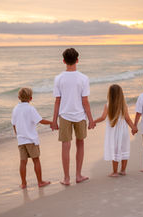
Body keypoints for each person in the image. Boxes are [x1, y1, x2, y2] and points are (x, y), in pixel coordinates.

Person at [52, 48, 95, 185]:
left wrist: (54, 121)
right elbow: (85, 101)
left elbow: (57, 101)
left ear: (63, 61)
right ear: (77, 60)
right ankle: (78, 175)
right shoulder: (83, 78)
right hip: (80, 116)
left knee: (66, 145)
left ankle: (66, 178)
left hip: (64, 115)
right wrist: (91, 119)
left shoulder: (58, 78)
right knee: (80, 143)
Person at [11, 87, 51, 189]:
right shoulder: (30, 108)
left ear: (19, 97)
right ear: (31, 98)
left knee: (23, 162)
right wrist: (52, 123)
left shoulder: (15, 109)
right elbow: (40, 120)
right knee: (36, 160)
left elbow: (14, 124)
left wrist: (18, 135)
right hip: (31, 139)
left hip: (21, 140)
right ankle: (40, 182)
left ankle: (23, 183)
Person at [94, 84, 137, 177]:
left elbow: (102, 117)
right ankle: (123, 170)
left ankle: (115, 172)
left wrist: (93, 122)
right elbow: (128, 119)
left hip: (113, 133)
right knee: (124, 149)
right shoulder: (123, 105)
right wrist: (133, 127)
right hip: (123, 132)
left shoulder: (107, 105)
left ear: (110, 94)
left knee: (115, 150)